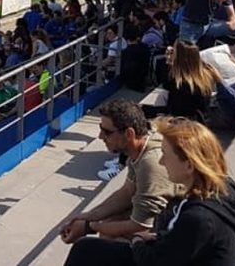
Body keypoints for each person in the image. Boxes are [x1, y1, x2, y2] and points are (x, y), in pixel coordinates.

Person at [63, 117, 235, 266]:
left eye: (166, 156)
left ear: (188, 165)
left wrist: (138, 239)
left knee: (86, 251)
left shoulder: (199, 218)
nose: (161, 161)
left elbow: (154, 262)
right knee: (89, 249)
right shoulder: (223, 186)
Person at [59, 100, 180, 243]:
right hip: (167, 218)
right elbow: (128, 192)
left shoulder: (151, 163)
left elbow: (140, 225)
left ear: (129, 134)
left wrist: (89, 227)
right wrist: (88, 216)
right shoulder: (140, 149)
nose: (100, 136)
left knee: (109, 237)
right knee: (111, 222)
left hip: (176, 232)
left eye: (107, 132)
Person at [143, 41, 216, 123]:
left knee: (144, 109)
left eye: (174, 52)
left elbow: (174, 112)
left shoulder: (181, 84)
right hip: (199, 121)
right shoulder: (204, 76)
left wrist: (145, 109)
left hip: (184, 124)